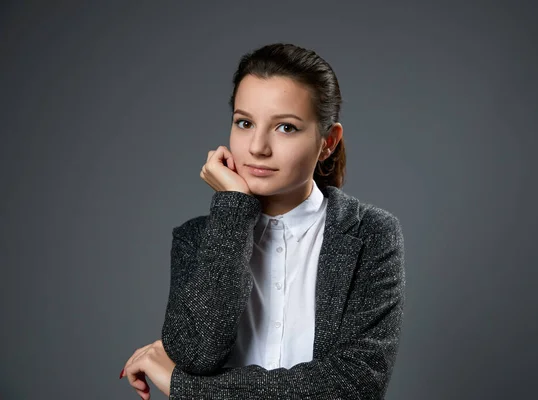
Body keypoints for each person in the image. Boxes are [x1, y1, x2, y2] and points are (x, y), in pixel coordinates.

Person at [120, 43, 405, 400]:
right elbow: (194, 352)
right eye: (244, 123)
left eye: (285, 127)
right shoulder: (197, 237)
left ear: (328, 142)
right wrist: (233, 208)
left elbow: (354, 384)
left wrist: (186, 388)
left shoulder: (370, 234)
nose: (257, 147)